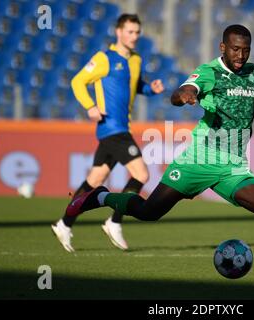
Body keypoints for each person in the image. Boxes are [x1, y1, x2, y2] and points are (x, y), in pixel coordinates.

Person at [60, 25, 254, 290]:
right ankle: (97, 197)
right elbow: (184, 90)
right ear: (223, 47)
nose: (240, 55)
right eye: (235, 49)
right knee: (149, 212)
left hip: (233, 166)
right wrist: (184, 94)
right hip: (197, 160)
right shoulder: (210, 72)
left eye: (245, 50)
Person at [51, 14, 164, 253]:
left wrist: (150, 89)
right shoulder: (104, 58)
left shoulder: (135, 60)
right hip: (112, 129)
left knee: (94, 181)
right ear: (118, 32)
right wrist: (90, 107)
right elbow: (77, 81)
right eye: (130, 32)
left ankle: (64, 223)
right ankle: (114, 221)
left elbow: (134, 85)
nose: (134, 37)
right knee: (141, 174)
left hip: (120, 129)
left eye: (137, 32)